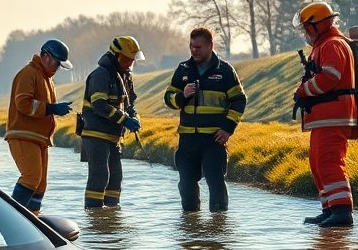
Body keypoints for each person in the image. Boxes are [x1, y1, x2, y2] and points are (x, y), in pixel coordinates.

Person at [163, 26, 245, 212]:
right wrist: (181, 96)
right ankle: (191, 226)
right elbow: (168, 99)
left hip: (213, 139)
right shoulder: (183, 69)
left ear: (210, 46)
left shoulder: (225, 71)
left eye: (198, 47)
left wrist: (227, 129)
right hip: (188, 139)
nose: (194, 50)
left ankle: (219, 224)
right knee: (186, 184)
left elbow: (239, 101)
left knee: (215, 182)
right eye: (191, 46)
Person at [294, 2, 357, 227]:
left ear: (317, 25)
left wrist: (303, 90)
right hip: (324, 116)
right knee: (317, 163)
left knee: (329, 162)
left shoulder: (332, 45)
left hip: (334, 114)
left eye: (306, 28)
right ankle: (330, 209)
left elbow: (330, 77)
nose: (305, 33)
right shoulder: (323, 45)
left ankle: (342, 212)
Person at [5, 39, 72, 214]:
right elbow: (23, 103)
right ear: (45, 56)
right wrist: (52, 108)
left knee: (40, 184)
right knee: (31, 178)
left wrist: (53, 110)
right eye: (57, 63)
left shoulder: (46, 78)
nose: (58, 68)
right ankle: (13, 217)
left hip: (39, 138)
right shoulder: (28, 74)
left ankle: (34, 219)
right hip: (23, 135)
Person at [80, 36, 144, 208]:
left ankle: (111, 215)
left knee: (115, 177)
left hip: (113, 137)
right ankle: (94, 215)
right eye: (125, 59)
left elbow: (130, 104)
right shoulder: (101, 74)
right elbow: (99, 105)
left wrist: (135, 117)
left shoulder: (125, 77)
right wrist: (124, 120)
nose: (129, 64)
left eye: (132, 60)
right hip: (95, 134)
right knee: (100, 175)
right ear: (115, 55)